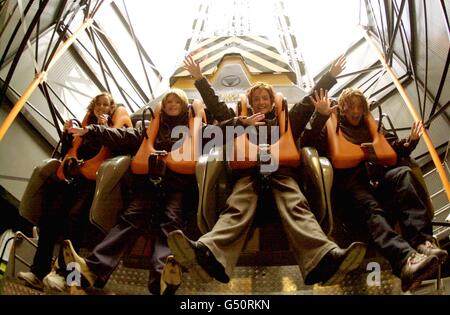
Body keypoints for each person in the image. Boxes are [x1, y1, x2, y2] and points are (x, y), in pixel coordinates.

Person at [165, 56, 366, 287]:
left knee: (296, 205)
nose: (261, 102)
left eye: (265, 98)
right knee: (237, 207)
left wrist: (330, 77)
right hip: (248, 176)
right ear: (250, 103)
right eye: (256, 99)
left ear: (272, 102)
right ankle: (209, 254)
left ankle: (324, 257)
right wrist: (200, 79)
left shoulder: (288, 121)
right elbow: (216, 104)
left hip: (281, 174)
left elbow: (310, 99)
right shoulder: (242, 120)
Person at [306, 88, 448, 292]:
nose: (355, 111)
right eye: (350, 107)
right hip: (349, 184)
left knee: (404, 174)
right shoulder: (331, 125)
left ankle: (423, 243)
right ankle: (405, 259)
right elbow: (308, 142)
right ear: (342, 108)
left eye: (359, 107)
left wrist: (409, 143)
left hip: (378, 178)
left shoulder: (373, 126)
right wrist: (320, 115)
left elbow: (392, 150)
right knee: (370, 207)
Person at [62, 89, 202, 295]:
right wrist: (91, 131)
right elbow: (121, 135)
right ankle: (91, 269)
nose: (172, 104)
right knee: (129, 220)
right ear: (162, 107)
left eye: (176, 102)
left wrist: (242, 124)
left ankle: (162, 278)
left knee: (171, 223)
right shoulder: (149, 130)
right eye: (168, 101)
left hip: (177, 188)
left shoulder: (196, 129)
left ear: (183, 106)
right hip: (149, 186)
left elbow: (223, 130)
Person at [18, 92, 131, 292]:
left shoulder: (113, 128)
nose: (102, 108)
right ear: (93, 107)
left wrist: (102, 129)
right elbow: (67, 152)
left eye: (106, 105)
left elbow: (119, 149)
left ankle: (66, 276)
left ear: (112, 108)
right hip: (74, 178)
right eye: (98, 105)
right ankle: (38, 271)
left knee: (74, 219)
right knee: (50, 216)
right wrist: (67, 134)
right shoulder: (83, 126)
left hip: (95, 184)